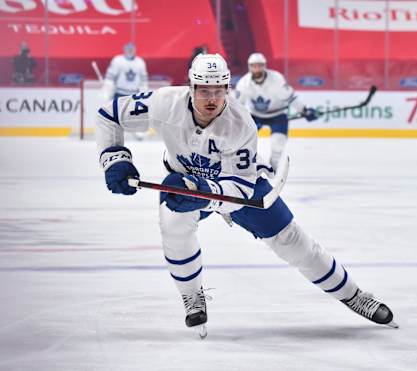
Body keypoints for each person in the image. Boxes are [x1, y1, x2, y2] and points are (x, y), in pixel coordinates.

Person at [95, 53, 397, 339]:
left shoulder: (241, 124)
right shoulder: (164, 102)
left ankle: (354, 296)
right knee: (172, 227)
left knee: (291, 240)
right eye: (203, 91)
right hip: (182, 183)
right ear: (190, 88)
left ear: (227, 88)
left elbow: (238, 188)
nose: (212, 99)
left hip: (235, 186)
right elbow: (109, 115)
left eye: (218, 90)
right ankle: (192, 296)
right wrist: (114, 157)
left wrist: (207, 194)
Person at [235, 52, 319, 171]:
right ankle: (245, 166)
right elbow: (237, 105)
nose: (257, 68)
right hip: (256, 116)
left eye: (260, 65)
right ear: (250, 67)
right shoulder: (244, 83)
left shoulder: (277, 79)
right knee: (244, 141)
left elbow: (291, 98)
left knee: (278, 146)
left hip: (278, 115)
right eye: (254, 66)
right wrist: (241, 121)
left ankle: (272, 168)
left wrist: (304, 111)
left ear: (264, 66)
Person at [102, 42, 149, 140]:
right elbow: (110, 78)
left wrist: (144, 92)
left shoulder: (140, 62)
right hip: (120, 93)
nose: (130, 51)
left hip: (134, 94)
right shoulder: (118, 61)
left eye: (131, 49)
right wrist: (107, 91)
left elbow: (143, 80)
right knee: (117, 115)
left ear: (135, 50)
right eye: (128, 49)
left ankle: (138, 132)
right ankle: (114, 133)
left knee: (136, 115)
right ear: (124, 49)